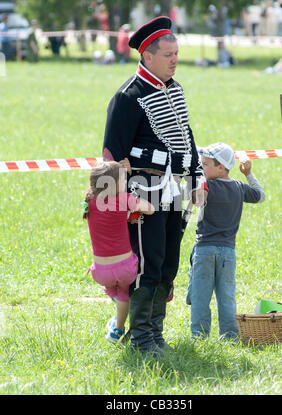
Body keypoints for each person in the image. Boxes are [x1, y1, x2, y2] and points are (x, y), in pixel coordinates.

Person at [102, 16, 207, 355]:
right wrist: (113, 206)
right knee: (147, 264)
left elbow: (186, 140)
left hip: (173, 189)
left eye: (177, 53)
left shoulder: (175, 90)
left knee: (166, 263)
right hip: (142, 193)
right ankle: (141, 338)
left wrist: (196, 178)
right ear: (147, 55)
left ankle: (155, 333)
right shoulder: (127, 96)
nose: (175, 60)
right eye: (168, 55)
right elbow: (111, 156)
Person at [186, 143, 265, 340]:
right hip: (228, 253)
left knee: (200, 297)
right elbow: (260, 196)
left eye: (205, 164)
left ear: (221, 167)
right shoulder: (238, 187)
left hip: (204, 250)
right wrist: (248, 174)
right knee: (227, 296)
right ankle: (230, 336)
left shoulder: (207, 186)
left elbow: (189, 196)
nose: (202, 168)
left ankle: (199, 336)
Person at [84, 159, 154, 343]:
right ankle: (119, 328)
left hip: (100, 271)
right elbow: (150, 209)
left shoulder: (90, 202)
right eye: (124, 181)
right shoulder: (124, 199)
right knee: (124, 292)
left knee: (115, 291)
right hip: (126, 268)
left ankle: (118, 309)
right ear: (115, 184)